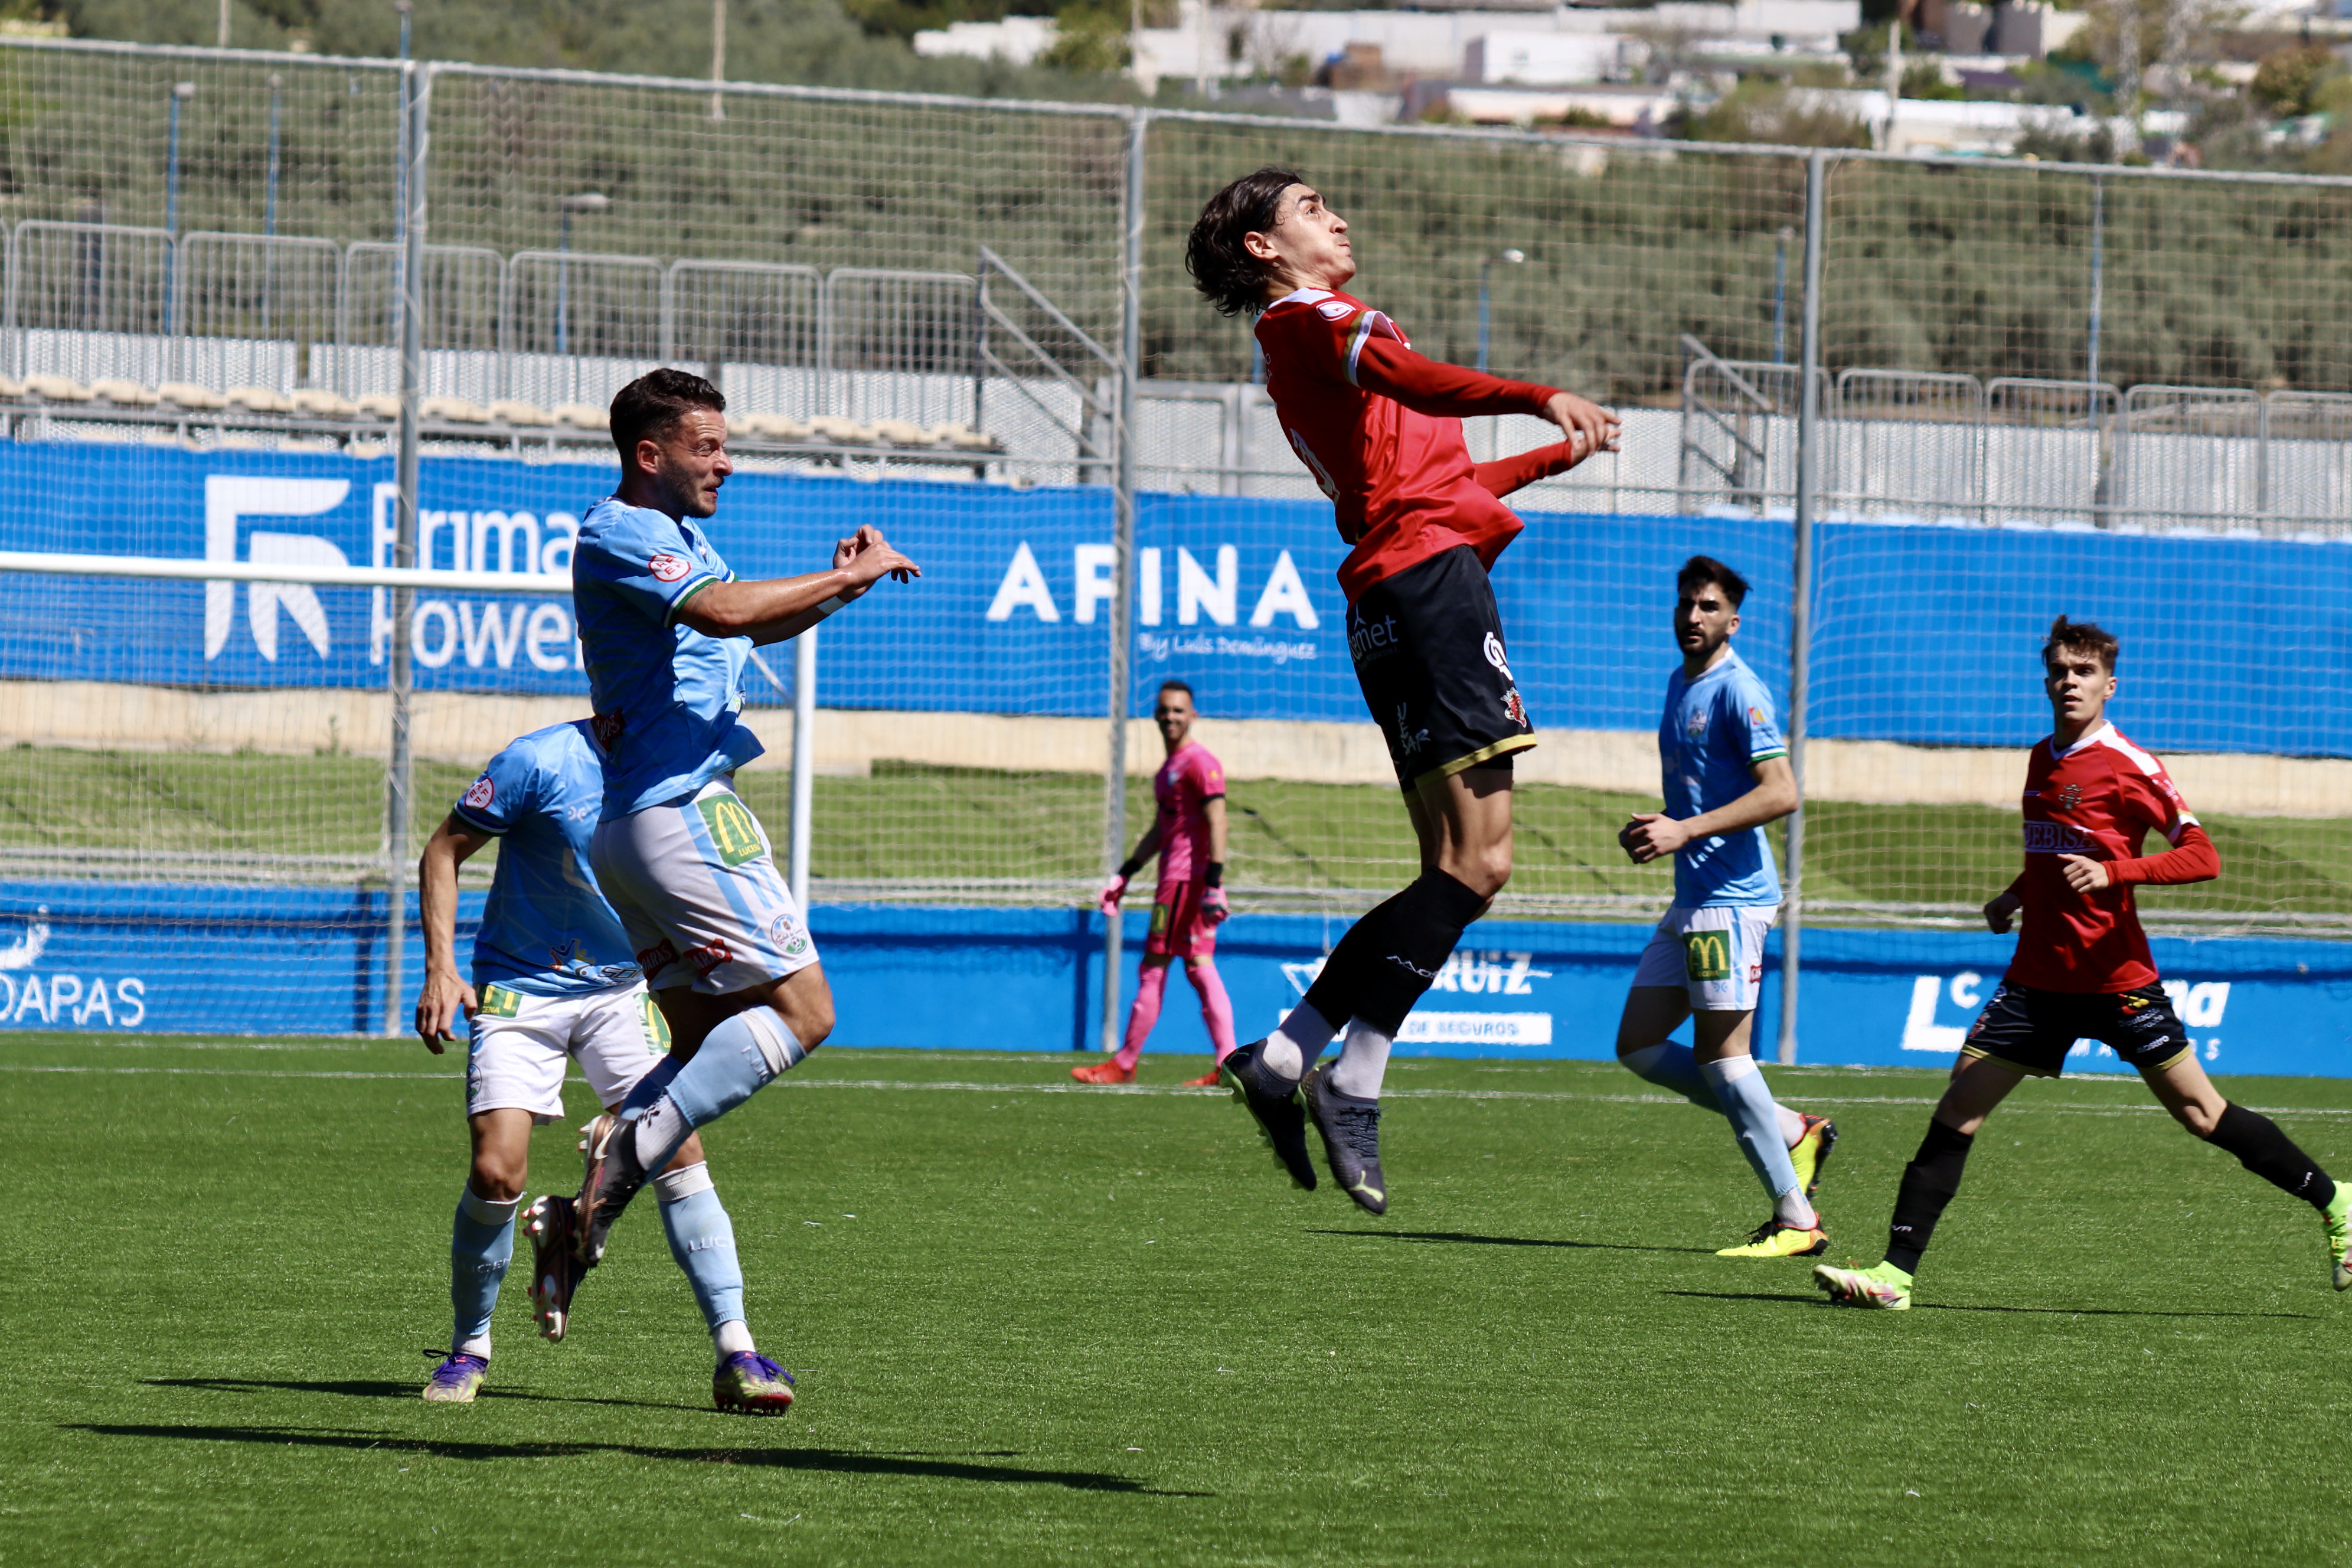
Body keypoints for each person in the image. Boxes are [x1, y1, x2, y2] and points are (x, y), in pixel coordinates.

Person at [1184, 168, 1618, 1215]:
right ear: (1261, 248)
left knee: (1451, 866)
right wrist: (1530, 390)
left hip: (1396, 587)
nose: (1335, 216)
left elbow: (1435, 487)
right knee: (1480, 863)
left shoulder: (1322, 340)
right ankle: (1347, 1074)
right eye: (1307, 207)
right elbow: (1411, 380)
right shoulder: (1308, 323)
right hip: (1426, 592)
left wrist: (1542, 456)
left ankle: (1289, 1059)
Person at [1816, 616, 2352, 1310]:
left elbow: (2203, 855)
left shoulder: (2131, 764)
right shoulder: (2043, 757)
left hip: (2116, 981)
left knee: (2199, 1112)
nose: (2071, 682)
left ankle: (2337, 1200)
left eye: (2085, 672)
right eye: (2061, 671)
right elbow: (2052, 848)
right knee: (1958, 1110)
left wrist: (2116, 873)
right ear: (2047, 680)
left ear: (2109, 685)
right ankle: (1896, 1276)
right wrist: (2014, 894)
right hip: (2037, 981)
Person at [561, 369, 919, 1407]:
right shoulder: (624, 528)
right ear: (649, 453)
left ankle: (726, 1337)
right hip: (681, 815)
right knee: (804, 1011)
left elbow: (745, 625)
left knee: (688, 1073)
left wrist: (837, 585)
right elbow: (722, 614)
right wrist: (842, 577)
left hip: (639, 826)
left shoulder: (675, 534)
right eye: (708, 446)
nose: (727, 461)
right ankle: (618, 1149)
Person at [413, 720, 780, 1407]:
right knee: (497, 1172)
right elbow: (442, 850)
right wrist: (440, 968)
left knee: (678, 1149)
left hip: (623, 987)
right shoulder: (537, 760)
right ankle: (469, 1348)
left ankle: (738, 1351)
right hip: (521, 986)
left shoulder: (686, 758)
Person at [1613, 557, 1832, 1258]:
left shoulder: (1741, 690)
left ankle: (1796, 1220)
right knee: (1640, 1046)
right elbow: (1704, 794)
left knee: (1723, 1056)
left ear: (1733, 620)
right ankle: (1794, 1129)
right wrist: (1663, 823)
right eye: (1686, 604)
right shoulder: (1682, 683)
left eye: (1708, 606)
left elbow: (1782, 792)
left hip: (1731, 904)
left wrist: (1685, 830)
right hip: (1692, 899)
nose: (1692, 616)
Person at [1076, 680, 1236, 1087]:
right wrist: (1125, 873)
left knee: (1154, 968)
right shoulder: (1167, 770)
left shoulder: (1201, 763)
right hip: (1179, 881)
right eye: (1165, 710)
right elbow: (1162, 830)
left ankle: (1126, 1062)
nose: (1171, 717)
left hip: (1186, 883)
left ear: (1193, 716)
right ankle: (1229, 1064)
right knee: (1199, 967)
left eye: (1179, 711)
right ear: (1155, 715)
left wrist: (1214, 883)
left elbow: (1219, 820)